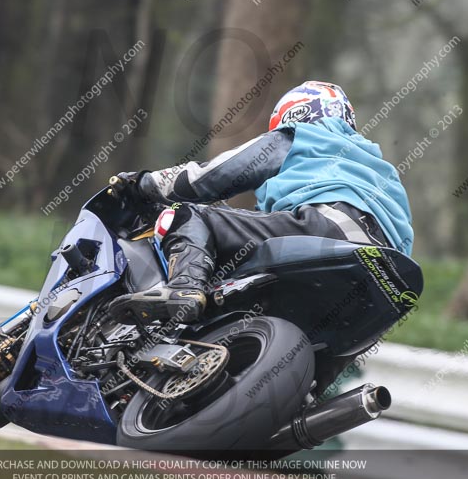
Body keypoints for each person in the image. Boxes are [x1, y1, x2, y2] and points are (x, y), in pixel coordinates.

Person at [107, 81, 413, 324]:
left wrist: (144, 183)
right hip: (388, 280)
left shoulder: (305, 136)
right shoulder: (380, 167)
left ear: (292, 115)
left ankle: (184, 288)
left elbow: (216, 176)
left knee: (190, 216)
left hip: (327, 230)